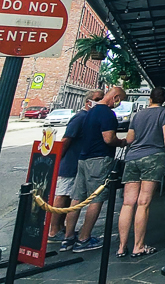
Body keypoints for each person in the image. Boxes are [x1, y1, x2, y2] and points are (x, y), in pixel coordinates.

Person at [67, 86, 126, 252]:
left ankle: (68, 237)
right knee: (96, 198)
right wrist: (121, 142)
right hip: (99, 159)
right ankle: (84, 238)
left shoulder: (90, 112)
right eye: (120, 100)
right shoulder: (107, 114)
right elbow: (108, 138)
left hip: (83, 158)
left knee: (77, 197)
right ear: (115, 97)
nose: (118, 105)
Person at [116, 86, 165, 258]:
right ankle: (138, 246)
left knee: (128, 203)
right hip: (153, 157)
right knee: (144, 202)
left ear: (150, 98)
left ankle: (121, 246)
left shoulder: (138, 114)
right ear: (164, 99)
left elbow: (130, 138)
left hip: (132, 157)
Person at [50, 90, 103, 243]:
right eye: (97, 99)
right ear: (88, 102)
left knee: (69, 197)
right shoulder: (80, 118)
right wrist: (58, 158)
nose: (100, 102)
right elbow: (66, 139)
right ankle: (54, 231)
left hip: (78, 163)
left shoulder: (88, 118)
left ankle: (62, 228)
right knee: (62, 195)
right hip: (70, 163)